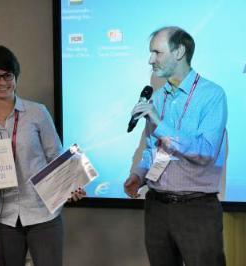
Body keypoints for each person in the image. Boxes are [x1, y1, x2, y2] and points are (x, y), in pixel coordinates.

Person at [0, 45, 85, 266]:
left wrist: (71, 186)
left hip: (43, 214)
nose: (2, 82)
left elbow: (56, 157)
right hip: (3, 216)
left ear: (15, 76)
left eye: (7, 75)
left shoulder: (37, 112)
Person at [124, 26, 227, 266]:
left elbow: (205, 152)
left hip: (196, 209)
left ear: (179, 51)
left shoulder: (212, 95)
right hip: (157, 206)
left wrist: (158, 121)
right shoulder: (157, 97)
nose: (150, 60)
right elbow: (153, 149)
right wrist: (137, 176)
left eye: (156, 53)